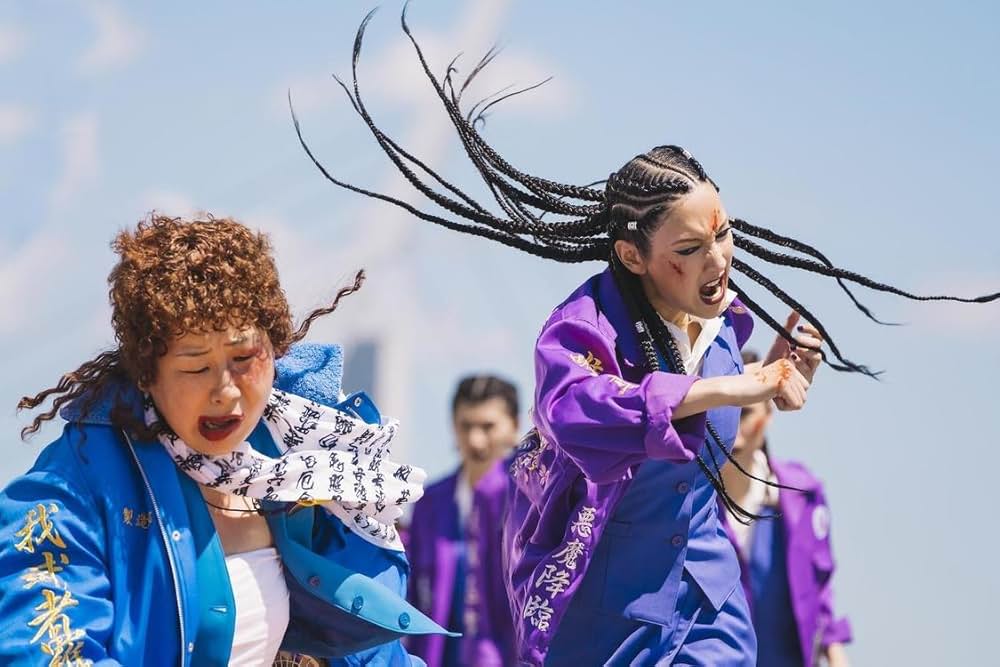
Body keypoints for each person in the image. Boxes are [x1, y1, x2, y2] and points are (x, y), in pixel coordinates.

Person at [288, 9, 999, 663]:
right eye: (690, 248)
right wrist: (727, 388)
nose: (718, 260)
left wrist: (777, 382)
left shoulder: (726, 327)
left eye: (723, 234)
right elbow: (579, 413)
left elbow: (726, 450)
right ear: (633, 256)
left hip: (710, 605)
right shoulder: (581, 329)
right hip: (607, 615)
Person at [0, 214, 451, 666]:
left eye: (244, 358)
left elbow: (376, 656)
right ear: (146, 374)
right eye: (196, 367)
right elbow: (44, 649)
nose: (225, 391)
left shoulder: (302, 462)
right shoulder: (76, 486)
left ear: (275, 350)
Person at [719, 351, 852, 667]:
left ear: (769, 413)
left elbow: (820, 593)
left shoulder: (801, 495)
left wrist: (836, 656)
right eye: (725, 411)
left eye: (745, 412)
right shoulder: (687, 499)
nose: (735, 426)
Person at [405, 375, 520, 666]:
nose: (475, 439)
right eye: (466, 426)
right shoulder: (430, 502)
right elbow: (414, 594)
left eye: (488, 426)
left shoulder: (529, 501)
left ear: (515, 427)